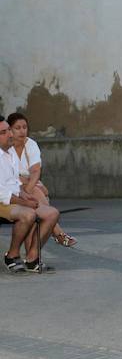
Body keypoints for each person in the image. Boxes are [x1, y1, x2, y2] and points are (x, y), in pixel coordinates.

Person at [7, 113, 76, 247]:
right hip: (11, 188)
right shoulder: (5, 147)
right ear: (10, 130)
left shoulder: (31, 144)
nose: (22, 131)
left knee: (37, 191)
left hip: (29, 186)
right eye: (17, 128)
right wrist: (29, 186)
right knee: (39, 191)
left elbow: (35, 171)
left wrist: (28, 189)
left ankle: (41, 247)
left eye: (24, 127)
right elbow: (10, 176)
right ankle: (58, 232)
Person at [0, 116, 60, 273]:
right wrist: (25, 203)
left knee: (52, 213)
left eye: (8, 131)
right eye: (4, 132)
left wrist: (26, 196)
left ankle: (32, 258)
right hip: (2, 201)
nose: (10, 135)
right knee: (28, 215)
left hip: (12, 199)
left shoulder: (9, 154)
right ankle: (12, 255)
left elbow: (14, 184)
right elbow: (2, 193)